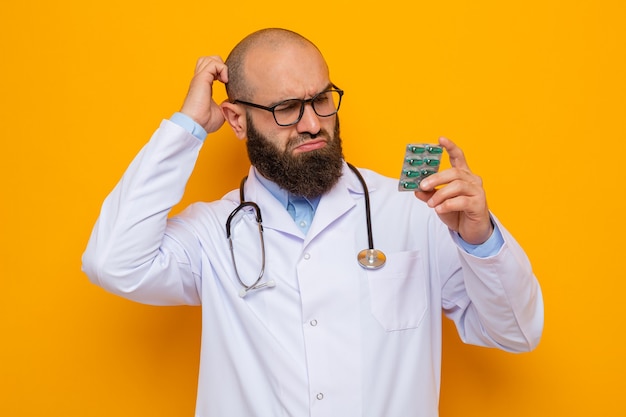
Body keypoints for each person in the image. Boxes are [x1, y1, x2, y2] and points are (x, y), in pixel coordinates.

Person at [82, 28, 544, 417]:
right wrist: (188, 128)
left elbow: (517, 333)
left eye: (321, 100)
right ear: (236, 120)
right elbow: (113, 261)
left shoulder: (416, 212)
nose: (311, 124)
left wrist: (479, 239)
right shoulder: (213, 232)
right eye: (286, 108)